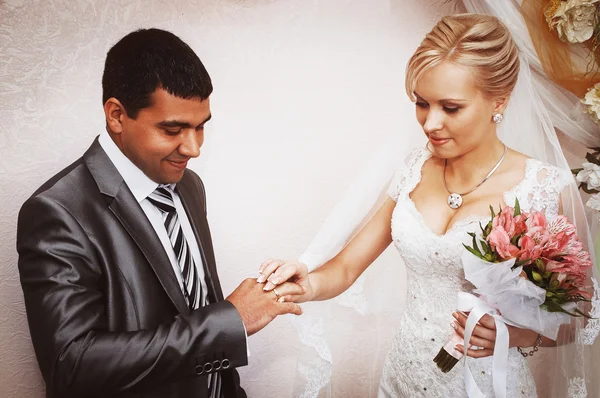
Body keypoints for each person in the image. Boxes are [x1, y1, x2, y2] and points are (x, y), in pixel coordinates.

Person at [257, 14, 599, 397]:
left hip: (485, 385)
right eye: (421, 103)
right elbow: (348, 265)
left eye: (450, 108)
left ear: (498, 102)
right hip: (403, 376)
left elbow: (580, 317)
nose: (430, 123)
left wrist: (518, 335)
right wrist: (307, 284)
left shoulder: (546, 188)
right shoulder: (414, 169)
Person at [16, 28, 304, 398]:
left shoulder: (190, 186)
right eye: (173, 129)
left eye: (201, 127)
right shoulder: (56, 212)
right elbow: (71, 367)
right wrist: (231, 321)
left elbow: (195, 302)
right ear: (117, 115)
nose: (194, 147)